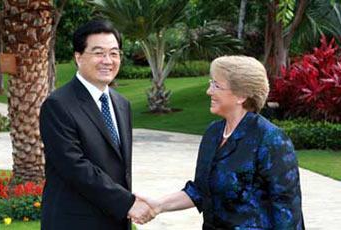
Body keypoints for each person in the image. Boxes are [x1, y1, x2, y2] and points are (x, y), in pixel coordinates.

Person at [138, 56, 305, 229]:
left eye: (216, 85)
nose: (209, 91)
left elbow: (288, 215)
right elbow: (200, 190)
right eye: (211, 83)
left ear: (241, 95)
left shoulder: (271, 140)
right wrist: (158, 205)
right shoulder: (213, 133)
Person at [39, 20, 154, 230]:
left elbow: (118, 167)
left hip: (115, 220)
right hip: (75, 222)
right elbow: (75, 167)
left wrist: (125, 204)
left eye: (114, 53)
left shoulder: (121, 104)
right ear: (78, 57)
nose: (107, 60)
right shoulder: (58, 105)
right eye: (99, 52)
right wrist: (127, 203)